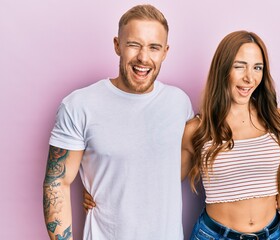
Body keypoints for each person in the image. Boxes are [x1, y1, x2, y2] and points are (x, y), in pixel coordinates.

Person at [42, 4, 193, 240]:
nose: (143, 57)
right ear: (117, 45)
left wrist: (110, 185)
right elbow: (57, 182)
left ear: (165, 52)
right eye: (134, 45)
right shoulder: (79, 105)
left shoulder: (179, 103)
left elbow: (171, 167)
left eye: (154, 47)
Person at [181, 31, 280, 239]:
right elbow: (163, 182)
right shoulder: (198, 129)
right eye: (239, 66)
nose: (249, 77)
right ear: (223, 69)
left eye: (257, 68)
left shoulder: (278, 121)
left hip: (271, 235)